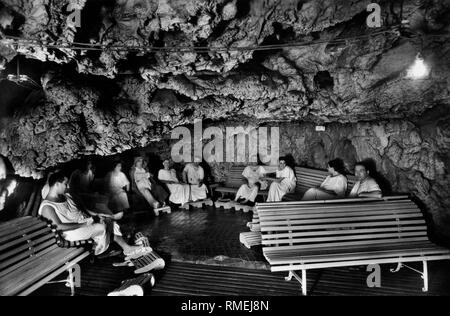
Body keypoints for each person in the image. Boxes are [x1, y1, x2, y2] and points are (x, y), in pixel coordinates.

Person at [38, 172, 148, 257]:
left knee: (109, 222)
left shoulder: (66, 196)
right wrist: (84, 224)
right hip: (71, 232)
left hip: (84, 224)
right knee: (102, 226)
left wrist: (95, 217)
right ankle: (100, 251)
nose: (67, 186)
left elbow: (81, 210)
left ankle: (126, 248)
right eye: (65, 184)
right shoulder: (48, 206)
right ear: (57, 184)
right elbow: (58, 226)